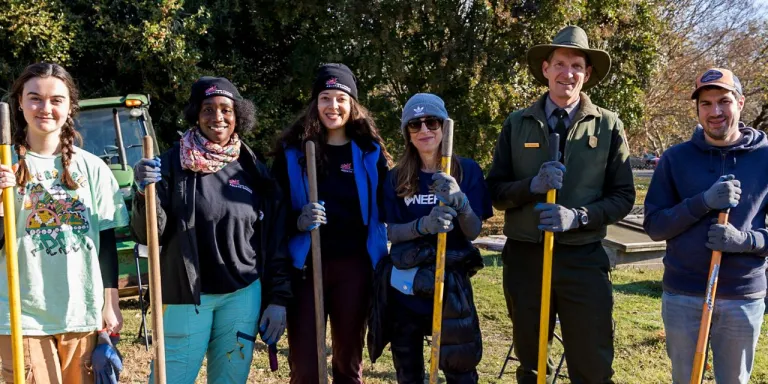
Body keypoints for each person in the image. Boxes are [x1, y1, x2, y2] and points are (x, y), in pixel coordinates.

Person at [486, 25, 635, 383]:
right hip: (526, 257)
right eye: (561, 63)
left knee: (593, 362)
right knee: (533, 362)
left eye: (577, 66)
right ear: (546, 69)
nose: (568, 73)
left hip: (582, 258)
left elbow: (623, 196)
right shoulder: (517, 123)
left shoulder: (608, 125)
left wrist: (578, 217)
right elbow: (496, 191)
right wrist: (532, 186)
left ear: (587, 74)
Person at [131, 76, 291, 383]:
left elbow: (272, 237)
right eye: (208, 109)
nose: (217, 117)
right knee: (171, 378)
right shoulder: (170, 164)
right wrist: (142, 193)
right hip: (185, 296)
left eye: (225, 110)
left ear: (237, 116)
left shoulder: (252, 168)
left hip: (242, 295)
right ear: (196, 114)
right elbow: (147, 234)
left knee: (230, 378)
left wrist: (278, 297)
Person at [0, 62, 128, 383]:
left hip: (80, 310)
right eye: (35, 98)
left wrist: (109, 304)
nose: (45, 108)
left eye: (56, 100)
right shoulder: (4, 165)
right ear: (20, 103)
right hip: (21, 314)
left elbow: (106, 242)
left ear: (70, 106)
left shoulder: (94, 168)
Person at [643, 68, 768, 384]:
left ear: (740, 103)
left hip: (742, 296)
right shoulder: (675, 159)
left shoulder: (765, 158)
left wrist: (744, 241)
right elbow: (655, 226)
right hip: (683, 294)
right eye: (706, 103)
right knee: (685, 379)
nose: (715, 112)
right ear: (697, 109)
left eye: (724, 101)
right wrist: (703, 202)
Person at [271, 63, 392, 384]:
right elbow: (273, 214)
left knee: (347, 365)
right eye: (325, 98)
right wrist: (299, 221)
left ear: (352, 105)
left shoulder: (369, 153)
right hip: (306, 269)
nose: (333, 106)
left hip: (355, 269)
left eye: (341, 98)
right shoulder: (293, 153)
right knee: (307, 367)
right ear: (315, 103)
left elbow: (390, 203)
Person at [367, 93, 492, 383]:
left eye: (432, 122)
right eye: (415, 125)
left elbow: (473, 231)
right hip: (406, 287)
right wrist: (424, 225)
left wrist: (461, 202)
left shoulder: (467, 170)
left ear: (444, 127)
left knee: (460, 373)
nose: (424, 130)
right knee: (408, 373)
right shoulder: (396, 177)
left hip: (450, 288)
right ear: (407, 134)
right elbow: (392, 231)